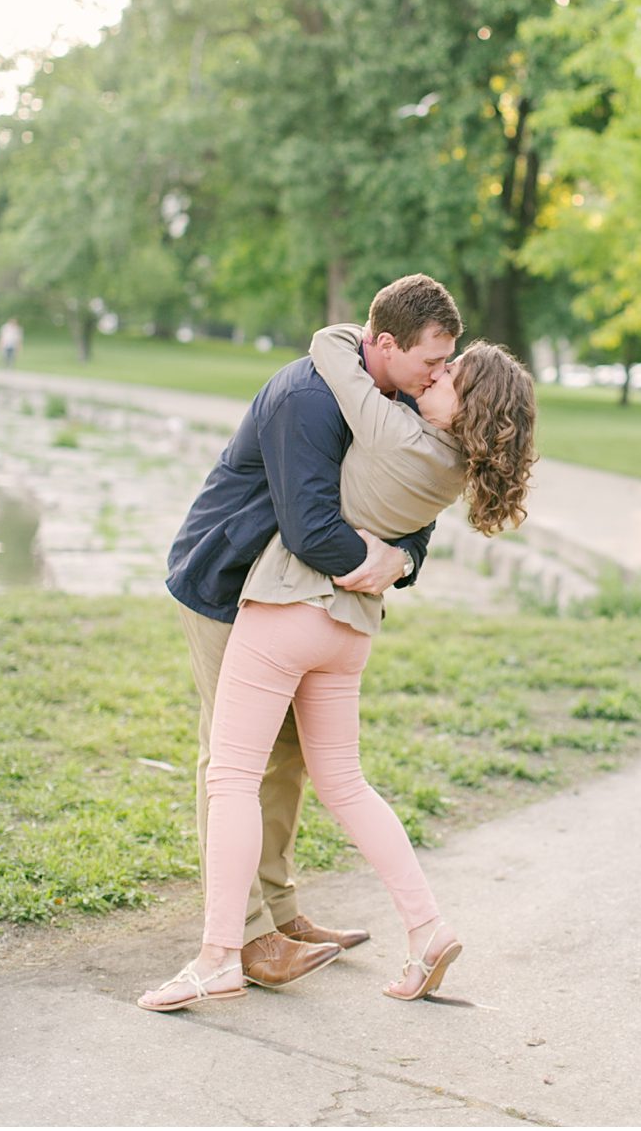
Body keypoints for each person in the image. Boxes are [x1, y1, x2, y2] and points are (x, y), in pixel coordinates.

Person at [141, 317, 537, 1011]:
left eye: (451, 373)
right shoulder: (452, 463)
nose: (437, 375)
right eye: (436, 363)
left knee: (230, 774)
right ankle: (426, 927)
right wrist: (393, 559)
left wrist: (343, 332)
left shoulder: (391, 425)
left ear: (469, 407)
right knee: (345, 784)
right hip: (349, 628)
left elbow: (335, 361)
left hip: (287, 609)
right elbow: (404, 528)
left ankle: (218, 957)